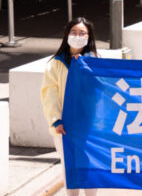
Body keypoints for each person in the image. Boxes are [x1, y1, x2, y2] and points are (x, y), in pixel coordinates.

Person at [41, 17, 99, 196]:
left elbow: (101, 91)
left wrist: (85, 68)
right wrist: (55, 120)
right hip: (64, 126)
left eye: (83, 33)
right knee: (69, 164)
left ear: (89, 37)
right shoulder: (55, 63)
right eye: (74, 32)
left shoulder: (95, 62)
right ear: (67, 35)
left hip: (88, 125)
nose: (78, 36)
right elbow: (49, 94)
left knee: (88, 163)